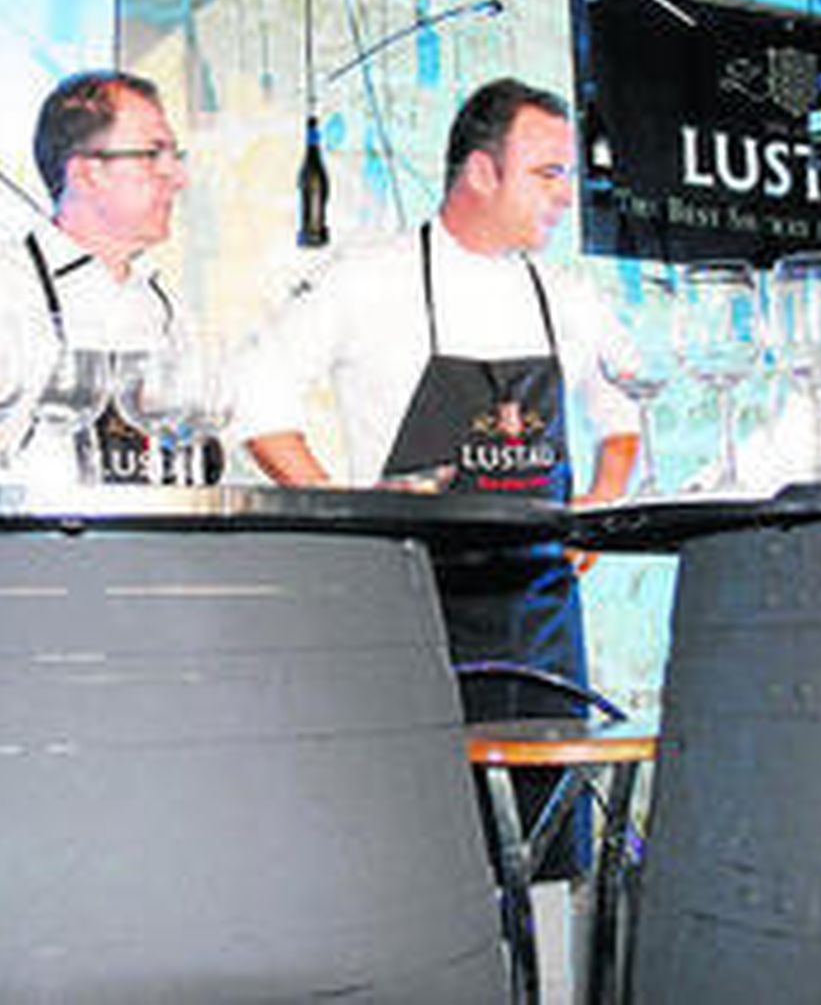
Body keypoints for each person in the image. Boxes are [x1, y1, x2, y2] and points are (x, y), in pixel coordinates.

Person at [231, 77, 639, 884]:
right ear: (481, 172)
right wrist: (347, 514)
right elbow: (255, 396)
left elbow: (623, 412)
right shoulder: (367, 280)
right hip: (411, 603)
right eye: (547, 173)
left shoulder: (567, 297)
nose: (566, 194)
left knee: (542, 856)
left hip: (540, 617)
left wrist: (600, 505)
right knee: (414, 850)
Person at [0, 69, 192, 485]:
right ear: (85, 173)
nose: (178, 178)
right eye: (152, 155)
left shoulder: (165, 307)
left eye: (176, 157)